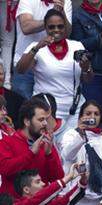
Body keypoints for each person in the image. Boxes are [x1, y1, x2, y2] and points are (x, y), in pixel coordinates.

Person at [15, 9, 88, 137]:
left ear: (65, 26)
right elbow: (21, 69)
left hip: (75, 109)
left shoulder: (77, 46)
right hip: (48, 112)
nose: (56, 30)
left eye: (60, 26)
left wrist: (87, 68)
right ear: (45, 27)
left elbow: (87, 79)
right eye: (51, 27)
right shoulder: (36, 47)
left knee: (75, 149)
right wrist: (36, 48)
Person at [12, 0, 75, 103]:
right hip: (26, 62)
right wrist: (51, 17)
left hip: (50, 67)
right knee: (22, 108)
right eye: (51, 25)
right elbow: (26, 27)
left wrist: (61, 13)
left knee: (46, 109)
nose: (55, 28)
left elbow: (66, 33)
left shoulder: (65, 1)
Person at [0, 98, 64, 198]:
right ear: (27, 121)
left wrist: (49, 154)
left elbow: (58, 177)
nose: (45, 124)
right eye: (41, 120)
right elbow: (6, 169)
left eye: (46, 120)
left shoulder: (45, 144)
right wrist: (31, 153)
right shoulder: (7, 142)